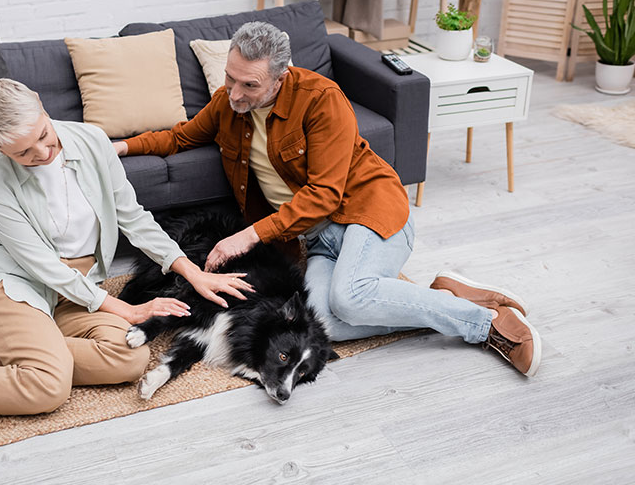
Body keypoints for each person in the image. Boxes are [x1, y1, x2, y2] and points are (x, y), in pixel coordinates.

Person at [0, 78, 253, 448]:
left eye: (44, 135)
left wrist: (189, 270)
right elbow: (42, 266)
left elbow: (134, 217)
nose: (43, 152)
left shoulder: (91, 141)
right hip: (19, 285)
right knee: (47, 388)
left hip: (79, 288)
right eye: (23, 152)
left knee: (129, 358)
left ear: (40, 103)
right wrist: (126, 309)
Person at [115, 21, 542, 379]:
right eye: (230, 78)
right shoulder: (230, 105)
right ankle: (449, 298)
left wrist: (246, 237)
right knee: (317, 324)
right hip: (319, 241)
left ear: (281, 77)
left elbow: (324, 194)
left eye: (249, 84)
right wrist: (116, 148)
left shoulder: (321, 100)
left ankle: (486, 324)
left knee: (351, 299)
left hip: (369, 214)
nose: (235, 93)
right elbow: (179, 136)